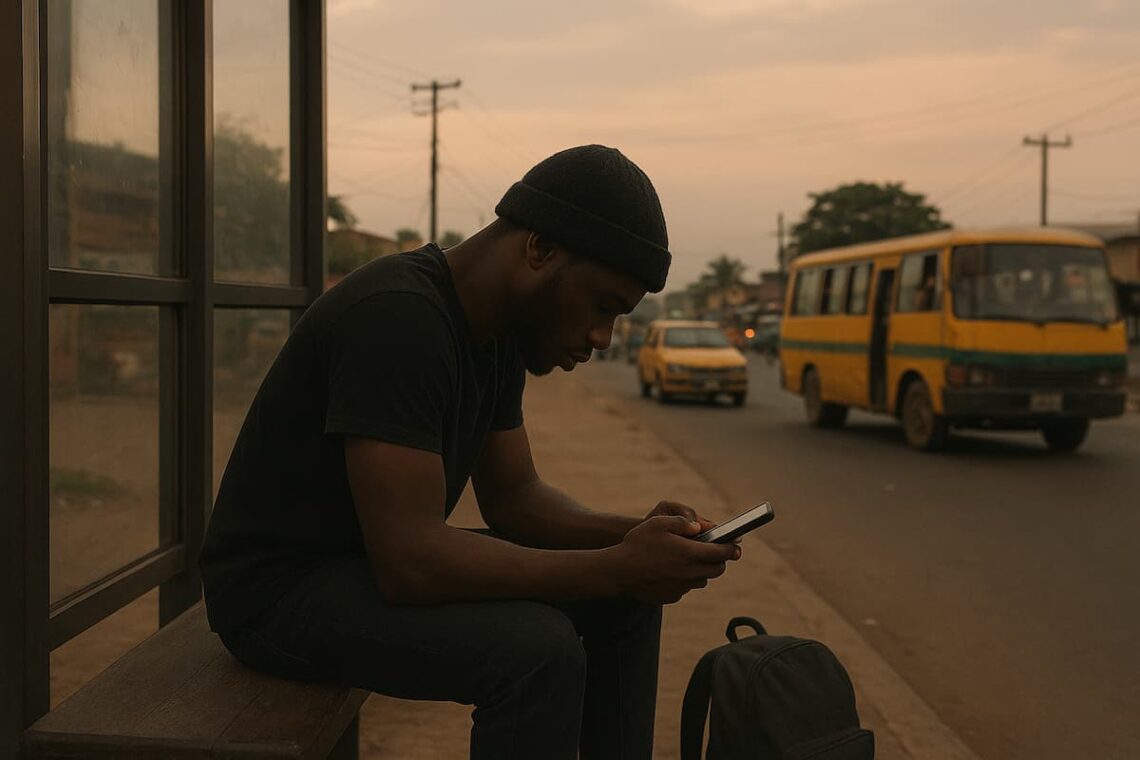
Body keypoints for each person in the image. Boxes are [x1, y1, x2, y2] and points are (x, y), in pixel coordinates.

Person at [199, 145, 741, 760]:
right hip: (277, 594)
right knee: (537, 652)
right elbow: (412, 562)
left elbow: (516, 499)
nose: (602, 338)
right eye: (602, 306)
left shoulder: (497, 330)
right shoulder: (399, 317)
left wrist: (637, 538)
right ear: (540, 250)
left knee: (624, 604)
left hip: (362, 568)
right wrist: (616, 564)